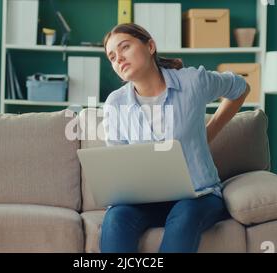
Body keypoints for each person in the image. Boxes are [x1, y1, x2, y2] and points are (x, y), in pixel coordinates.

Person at [100, 23, 250, 253]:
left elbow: (241, 87)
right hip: (144, 201)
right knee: (115, 219)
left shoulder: (192, 82)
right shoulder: (115, 103)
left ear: (150, 46)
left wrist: (212, 128)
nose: (118, 58)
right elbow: (118, 161)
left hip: (198, 195)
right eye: (112, 56)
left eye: (125, 47)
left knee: (185, 218)